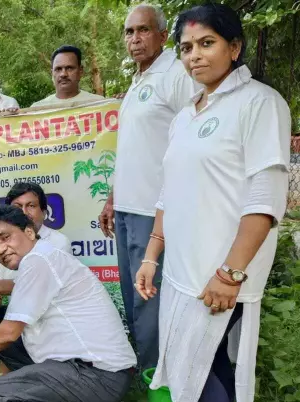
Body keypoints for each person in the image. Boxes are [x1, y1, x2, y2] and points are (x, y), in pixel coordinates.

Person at [135, 4, 290, 402]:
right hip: (182, 272)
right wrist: (151, 256)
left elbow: (265, 198)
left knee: (200, 377)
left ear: (234, 47)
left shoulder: (260, 103)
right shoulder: (187, 115)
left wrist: (231, 273)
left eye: (207, 44)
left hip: (220, 273)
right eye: (186, 47)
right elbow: (169, 191)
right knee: (207, 369)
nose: (194, 56)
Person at [0, 205, 137, 402]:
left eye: (5, 237)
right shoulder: (41, 258)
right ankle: (44, 392)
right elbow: (22, 289)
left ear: (29, 232)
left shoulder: (39, 261)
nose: (1, 249)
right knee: (0, 332)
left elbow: (7, 334)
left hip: (99, 377)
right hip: (93, 370)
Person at [97, 3, 198, 371]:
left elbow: (191, 142)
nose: (135, 39)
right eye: (129, 32)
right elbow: (132, 149)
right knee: (132, 292)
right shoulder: (140, 79)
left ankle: (156, 375)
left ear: (161, 33)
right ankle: (141, 366)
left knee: (148, 295)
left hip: (153, 211)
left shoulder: (176, 74)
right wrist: (112, 198)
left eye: (142, 30)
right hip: (126, 207)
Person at [0, 182, 71, 382]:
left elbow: (36, 291)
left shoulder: (57, 244)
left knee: (16, 330)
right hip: (22, 317)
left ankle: (24, 379)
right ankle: (11, 376)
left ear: (43, 211)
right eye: (17, 207)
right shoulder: (2, 246)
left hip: (51, 320)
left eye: (31, 206)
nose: (25, 212)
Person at [30, 46, 105, 108]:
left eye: (69, 68)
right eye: (58, 69)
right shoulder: (37, 110)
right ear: (52, 73)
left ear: (80, 71)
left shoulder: (100, 105)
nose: (63, 74)